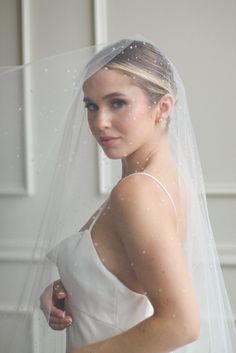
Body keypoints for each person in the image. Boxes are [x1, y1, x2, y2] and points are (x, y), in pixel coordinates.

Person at [39, 39, 236, 353]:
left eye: (117, 103)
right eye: (91, 106)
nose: (99, 121)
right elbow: (133, 283)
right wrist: (70, 289)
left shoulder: (137, 191)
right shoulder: (166, 183)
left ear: (163, 107)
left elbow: (182, 324)